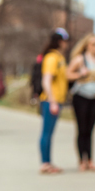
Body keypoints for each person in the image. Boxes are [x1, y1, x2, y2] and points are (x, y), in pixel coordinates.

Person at [38, 28, 81, 174]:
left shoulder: (59, 57)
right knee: (46, 133)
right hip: (51, 101)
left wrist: (81, 74)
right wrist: (53, 101)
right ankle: (45, 163)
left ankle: (48, 162)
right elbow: (46, 80)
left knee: (49, 133)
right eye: (65, 40)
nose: (67, 44)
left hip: (56, 100)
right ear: (60, 41)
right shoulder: (52, 58)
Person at [67, 33, 95, 171]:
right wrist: (80, 74)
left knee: (90, 130)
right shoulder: (80, 59)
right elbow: (67, 74)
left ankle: (90, 160)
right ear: (87, 45)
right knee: (81, 129)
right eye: (94, 44)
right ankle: (81, 161)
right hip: (81, 96)